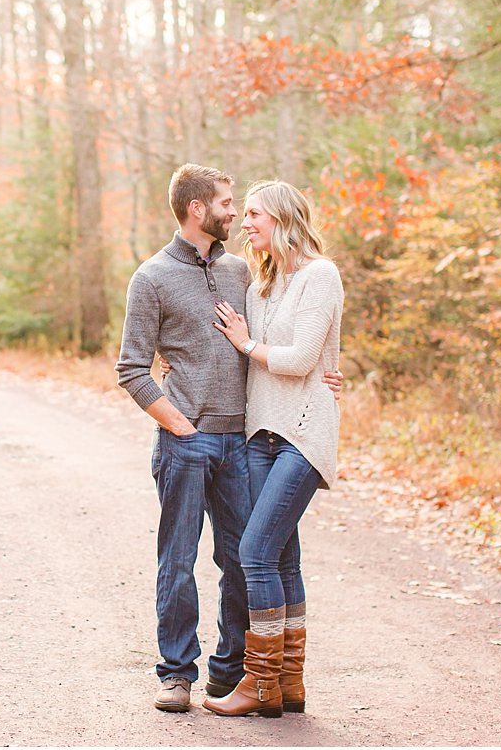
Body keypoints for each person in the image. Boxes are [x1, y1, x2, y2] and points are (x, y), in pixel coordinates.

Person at [116, 165, 341, 714]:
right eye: (225, 203)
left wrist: (326, 374)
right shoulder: (152, 277)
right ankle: (176, 674)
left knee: (244, 560)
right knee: (178, 560)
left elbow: (287, 337)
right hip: (187, 442)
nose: (235, 213)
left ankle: (232, 671)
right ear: (198, 208)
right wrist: (177, 423)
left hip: (244, 440)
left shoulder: (245, 272)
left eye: (243, 205)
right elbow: (131, 368)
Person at [201, 180, 343, 719]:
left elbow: (303, 357)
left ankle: (258, 683)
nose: (245, 223)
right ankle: (288, 682)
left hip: (303, 434)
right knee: (282, 557)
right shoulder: (261, 283)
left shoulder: (320, 276)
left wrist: (247, 344)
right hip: (259, 435)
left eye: (254, 214)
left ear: (281, 217)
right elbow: (238, 351)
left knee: (254, 552)